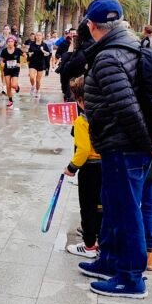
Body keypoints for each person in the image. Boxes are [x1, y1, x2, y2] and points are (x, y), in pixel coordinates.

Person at [78, 0, 152, 299]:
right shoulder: (129, 45)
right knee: (114, 205)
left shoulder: (109, 57)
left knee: (126, 210)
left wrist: (148, 145)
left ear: (91, 25)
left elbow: (127, 109)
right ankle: (110, 261)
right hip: (122, 144)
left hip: (124, 146)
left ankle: (130, 277)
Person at [64, 76, 102, 258]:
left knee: (87, 207)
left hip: (89, 169)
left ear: (80, 101)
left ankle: (89, 246)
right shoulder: (105, 116)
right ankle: (101, 241)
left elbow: (84, 149)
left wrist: (71, 167)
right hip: (105, 165)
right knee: (101, 206)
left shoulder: (81, 121)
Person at [0, 36, 23, 108]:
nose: (10, 43)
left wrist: (20, 64)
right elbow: (1, 60)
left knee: (13, 85)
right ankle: (10, 100)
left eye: (11, 41)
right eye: (8, 42)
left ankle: (16, 87)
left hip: (15, 69)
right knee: (8, 86)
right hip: (7, 69)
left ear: (14, 42)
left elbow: (25, 56)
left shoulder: (17, 50)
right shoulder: (4, 51)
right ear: (7, 43)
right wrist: (2, 64)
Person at [26, 32, 52, 98]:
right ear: (35, 36)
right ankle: (33, 86)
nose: (38, 37)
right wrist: (30, 54)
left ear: (42, 37)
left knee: (38, 80)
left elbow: (48, 53)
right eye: (37, 35)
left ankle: (37, 91)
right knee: (32, 77)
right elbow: (29, 53)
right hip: (33, 62)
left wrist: (43, 51)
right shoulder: (32, 44)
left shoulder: (44, 45)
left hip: (41, 63)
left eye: (40, 35)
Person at [0, 25, 13, 93]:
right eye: (5, 29)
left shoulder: (12, 37)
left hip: (10, 57)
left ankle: (6, 85)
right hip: (1, 57)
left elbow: (16, 46)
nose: (6, 30)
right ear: (3, 30)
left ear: (9, 30)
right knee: (3, 72)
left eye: (7, 29)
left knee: (9, 72)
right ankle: (4, 86)